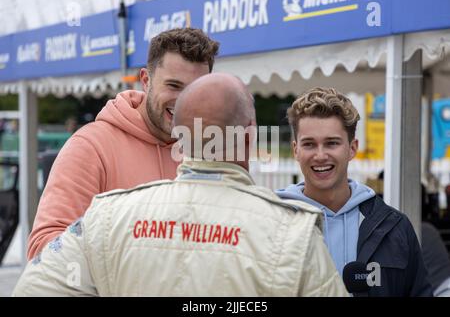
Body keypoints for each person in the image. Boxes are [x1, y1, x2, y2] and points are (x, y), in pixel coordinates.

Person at [13, 73, 348, 297]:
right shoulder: (292, 235)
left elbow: (34, 289)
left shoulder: (107, 217)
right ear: (248, 135)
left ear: (180, 136)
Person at [27, 28, 219, 260]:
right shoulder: (90, 147)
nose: (183, 101)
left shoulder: (207, 150)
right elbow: (44, 249)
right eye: (173, 86)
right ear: (146, 81)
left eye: (194, 90)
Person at [276, 87, 432, 296]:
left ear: (352, 148)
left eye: (332, 143)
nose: (320, 155)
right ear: (296, 150)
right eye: (309, 144)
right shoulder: (271, 223)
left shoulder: (394, 227)